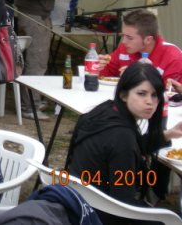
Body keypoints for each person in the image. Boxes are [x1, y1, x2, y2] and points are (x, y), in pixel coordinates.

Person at [67, 62, 182, 225]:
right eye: (141, 93)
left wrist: (169, 134)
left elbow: (126, 148)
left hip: (78, 202)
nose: (150, 102)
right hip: (101, 213)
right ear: (123, 95)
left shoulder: (104, 112)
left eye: (155, 95)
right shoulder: (122, 136)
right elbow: (123, 201)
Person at [15, 0, 68, 120]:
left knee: (38, 61)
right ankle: (30, 106)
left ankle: (33, 99)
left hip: (36, 14)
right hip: (34, 15)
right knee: (36, 62)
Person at [97, 9, 182, 84]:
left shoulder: (173, 57)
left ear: (148, 40)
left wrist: (136, 77)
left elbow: (172, 96)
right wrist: (98, 67)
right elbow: (106, 75)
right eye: (124, 35)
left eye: (129, 38)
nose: (124, 41)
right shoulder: (125, 48)